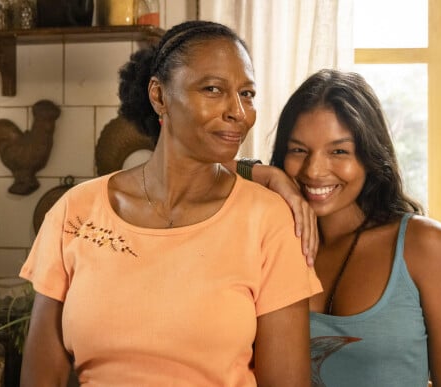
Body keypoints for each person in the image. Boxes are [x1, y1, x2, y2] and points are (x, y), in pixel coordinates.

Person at [19, 20, 322, 386]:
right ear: (159, 95)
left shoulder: (269, 220)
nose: (239, 113)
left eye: (247, 94)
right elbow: (41, 377)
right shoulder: (75, 212)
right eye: (213, 89)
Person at [247, 69, 441, 386]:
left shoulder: (423, 245)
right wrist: (266, 175)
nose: (314, 170)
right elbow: (196, 172)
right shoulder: (270, 241)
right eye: (298, 150)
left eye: (338, 151)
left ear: (370, 155)